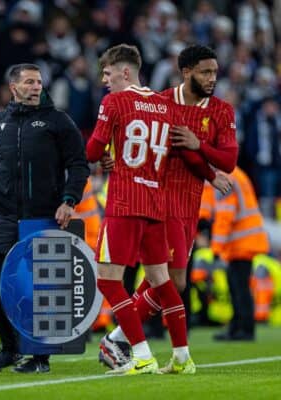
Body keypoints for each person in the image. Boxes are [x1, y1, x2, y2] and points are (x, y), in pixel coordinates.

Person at [99, 45, 239, 372]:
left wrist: (198, 145)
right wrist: (113, 157)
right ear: (186, 71)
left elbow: (229, 161)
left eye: (215, 72)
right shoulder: (160, 101)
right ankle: (126, 340)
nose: (212, 78)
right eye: (206, 72)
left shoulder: (220, 111)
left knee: (170, 279)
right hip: (156, 199)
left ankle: (125, 339)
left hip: (189, 203)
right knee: (169, 279)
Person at [85, 44, 203, 375]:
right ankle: (182, 357)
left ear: (126, 72)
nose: (104, 80)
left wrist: (105, 153)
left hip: (124, 201)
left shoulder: (115, 102)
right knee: (160, 280)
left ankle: (141, 354)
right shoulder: (166, 106)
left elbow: (93, 150)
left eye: (108, 73)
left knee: (108, 281)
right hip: (156, 203)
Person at [0, 63, 90, 373]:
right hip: (4, 215)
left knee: (42, 290)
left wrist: (69, 200)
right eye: (29, 82)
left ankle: (40, 358)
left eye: (39, 81)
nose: (36, 86)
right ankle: (10, 348)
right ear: (14, 88)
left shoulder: (58, 121)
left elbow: (79, 165)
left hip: (44, 215)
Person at [211, 167, 269, 341]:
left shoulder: (226, 178)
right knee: (238, 286)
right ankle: (238, 327)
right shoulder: (237, 174)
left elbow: (225, 215)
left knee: (239, 288)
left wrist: (216, 247)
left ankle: (243, 329)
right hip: (246, 239)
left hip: (241, 242)